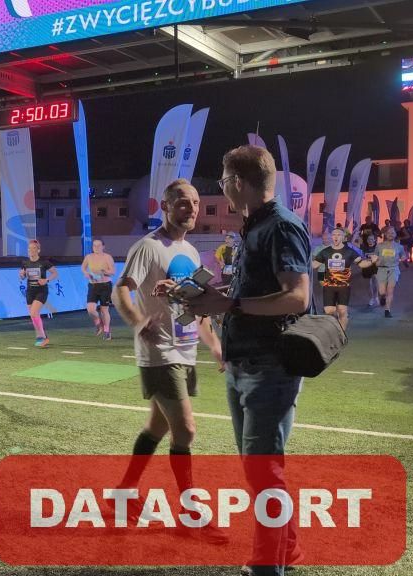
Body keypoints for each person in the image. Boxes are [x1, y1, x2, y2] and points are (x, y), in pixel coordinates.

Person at [186, 146, 311, 576]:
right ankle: (287, 548)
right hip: (245, 363)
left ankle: (266, 565)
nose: (223, 188)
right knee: (258, 469)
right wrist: (211, 297)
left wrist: (228, 305)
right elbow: (252, 289)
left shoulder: (280, 226)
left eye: (223, 181)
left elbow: (297, 297)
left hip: (268, 366)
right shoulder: (256, 224)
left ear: (238, 182)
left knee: (262, 472)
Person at [111, 179, 226, 543]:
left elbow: (196, 306)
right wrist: (137, 321)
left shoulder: (190, 252)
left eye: (196, 202)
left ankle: (123, 494)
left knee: (158, 427)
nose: (191, 209)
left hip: (186, 351)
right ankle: (190, 514)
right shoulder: (148, 247)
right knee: (186, 430)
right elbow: (121, 289)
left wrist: (215, 345)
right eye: (183, 202)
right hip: (160, 353)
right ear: (165, 206)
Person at [311, 227, 372, 330]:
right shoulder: (325, 251)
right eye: (334, 235)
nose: (336, 237)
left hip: (344, 286)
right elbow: (314, 265)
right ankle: (336, 324)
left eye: (338, 235)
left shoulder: (350, 251)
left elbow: (361, 264)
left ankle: (342, 334)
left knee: (342, 310)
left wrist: (371, 261)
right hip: (329, 285)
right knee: (329, 311)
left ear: (343, 237)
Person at [20, 239, 58, 347]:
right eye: (29, 248)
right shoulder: (25, 263)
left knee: (33, 313)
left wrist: (46, 280)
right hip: (30, 291)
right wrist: (21, 275)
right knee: (33, 316)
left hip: (41, 291)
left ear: (38, 250)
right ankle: (42, 336)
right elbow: (22, 277)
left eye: (34, 248)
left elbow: (55, 273)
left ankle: (42, 337)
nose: (31, 250)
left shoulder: (44, 262)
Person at [81, 238, 115, 341]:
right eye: (94, 245)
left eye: (99, 245)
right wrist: (86, 273)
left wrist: (104, 272)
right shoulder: (88, 257)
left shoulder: (107, 257)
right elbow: (83, 267)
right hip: (93, 286)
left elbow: (113, 272)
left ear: (103, 247)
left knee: (104, 310)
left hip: (105, 286)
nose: (96, 247)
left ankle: (107, 331)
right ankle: (98, 323)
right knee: (90, 309)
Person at [371, 226, 406, 318]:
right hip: (381, 269)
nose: (390, 234)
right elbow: (375, 256)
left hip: (394, 269)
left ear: (395, 234)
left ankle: (387, 310)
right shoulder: (379, 246)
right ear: (385, 234)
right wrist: (375, 261)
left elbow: (403, 255)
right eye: (388, 233)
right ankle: (382, 297)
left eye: (392, 233)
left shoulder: (399, 246)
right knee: (382, 291)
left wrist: (403, 258)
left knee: (390, 290)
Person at [360, 233, 380, 307]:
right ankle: (372, 298)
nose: (370, 240)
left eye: (372, 239)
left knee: (375, 280)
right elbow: (361, 256)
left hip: (375, 266)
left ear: (374, 240)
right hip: (366, 266)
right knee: (369, 284)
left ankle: (376, 296)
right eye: (369, 239)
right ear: (367, 240)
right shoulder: (363, 247)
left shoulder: (378, 247)